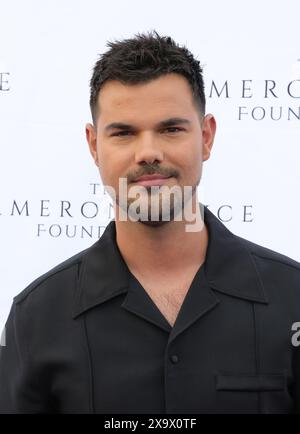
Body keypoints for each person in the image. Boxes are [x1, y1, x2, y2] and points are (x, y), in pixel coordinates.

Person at [0, 30, 300, 414]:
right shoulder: (36, 318)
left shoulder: (291, 299)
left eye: (171, 129)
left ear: (206, 137)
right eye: (123, 133)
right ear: (94, 146)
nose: (148, 152)